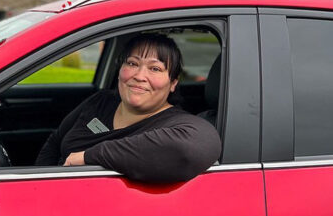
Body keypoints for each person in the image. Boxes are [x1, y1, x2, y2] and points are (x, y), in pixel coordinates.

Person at [35, 33, 221, 183]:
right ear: (120, 70)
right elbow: (55, 143)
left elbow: (189, 150)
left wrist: (89, 156)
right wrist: (38, 189)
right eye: (132, 63)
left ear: (173, 83)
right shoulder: (101, 101)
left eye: (155, 69)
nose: (140, 76)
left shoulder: (177, 124)